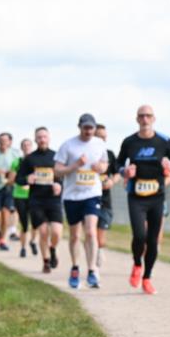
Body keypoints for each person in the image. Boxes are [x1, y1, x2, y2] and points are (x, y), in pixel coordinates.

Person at [116, 105, 170, 295]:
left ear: (154, 119)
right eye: (141, 116)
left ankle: (147, 277)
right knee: (139, 236)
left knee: (153, 240)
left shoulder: (164, 141)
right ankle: (137, 264)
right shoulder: (129, 142)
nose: (145, 119)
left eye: (148, 116)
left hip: (157, 196)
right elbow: (118, 163)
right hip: (136, 197)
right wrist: (124, 171)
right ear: (137, 119)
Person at [55, 113, 108, 289]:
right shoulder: (68, 145)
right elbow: (57, 171)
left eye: (91, 128)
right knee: (75, 235)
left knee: (91, 232)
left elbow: (104, 164)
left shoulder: (99, 144)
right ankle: (75, 267)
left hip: (92, 193)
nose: (88, 131)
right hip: (72, 196)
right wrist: (75, 166)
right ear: (79, 127)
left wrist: (101, 168)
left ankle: (92, 270)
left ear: (94, 128)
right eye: (85, 127)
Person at [21, 127, 63, 273]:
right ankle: (45, 261)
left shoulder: (57, 156)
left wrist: (59, 184)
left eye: (44, 137)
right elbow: (19, 179)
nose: (42, 140)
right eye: (39, 137)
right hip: (36, 200)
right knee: (43, 232)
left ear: (49, 138)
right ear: (35, 139)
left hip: (53, 200)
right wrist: (27, 178)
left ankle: (52, 249)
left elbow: (64, 176)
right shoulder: (30, 159)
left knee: (57, 232)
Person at [8, 138, 39, 258]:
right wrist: (22, 181)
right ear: (21, 148)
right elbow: (11, 180)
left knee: (36, 222)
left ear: (32, 147)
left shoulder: (37, 161)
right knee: (24, 223)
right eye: (24, 145)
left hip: (34, 195)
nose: (26, 147)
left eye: (28, 145)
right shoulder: (17, 162)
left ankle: (32, 241)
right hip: (20, 195)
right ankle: (23, 248)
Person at [94, 124, 118, 269]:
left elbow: (117, 173)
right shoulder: (86, 154)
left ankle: (99, 250)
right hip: (88, 198)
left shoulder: (109, 154)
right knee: (91, 233)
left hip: (105, 200)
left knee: (100, 237)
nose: (102, 140)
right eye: (99, 136)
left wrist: (111, 181)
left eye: (104, 137)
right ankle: (93, 263)